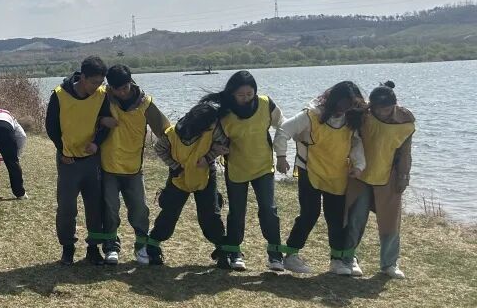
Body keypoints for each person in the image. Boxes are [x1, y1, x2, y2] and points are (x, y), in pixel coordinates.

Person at [201, 70, 289, 272]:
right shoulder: (224, 113)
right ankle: (235, 252)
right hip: (237, 169)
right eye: (240, 95)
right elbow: (212, 138)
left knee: (268, 209)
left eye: (250, 94)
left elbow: (284, 126)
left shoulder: (266, 104)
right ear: (232, 93)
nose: (246, 98)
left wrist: (282, 155)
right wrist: (216, 149)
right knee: (237, 212)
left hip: (263, 167)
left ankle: (275, 254)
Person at [276, 81, 367, 276]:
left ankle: (337, 260)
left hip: (337, 174)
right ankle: (291, 255)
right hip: (310, 170)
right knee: (310, 213)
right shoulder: (312, 114)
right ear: (333, 99)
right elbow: (284, 130)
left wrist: (359, 166)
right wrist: (281, 156)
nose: (344, 109)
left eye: (350, 105)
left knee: (336, 218)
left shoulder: (352, 119)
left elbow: (356, 143)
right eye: (342, 103)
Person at [93, 65, 170, 265]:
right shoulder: (102, 97)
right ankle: (111, 246)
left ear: (131, 82)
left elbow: (165, 130)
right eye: (116, 89)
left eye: (125, 87)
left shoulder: (145, 104)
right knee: (110, 209)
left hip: (134, 168)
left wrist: (184, 149)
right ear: (110, 87)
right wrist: (101, 120)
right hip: (108, 166)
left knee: (140, 209)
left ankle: (141, 246)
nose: (121, 92)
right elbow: (84, 116)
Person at [145, 102, 231, 268]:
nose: (213, 126)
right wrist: (176, 167)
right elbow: (159, 149)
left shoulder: (213, 128)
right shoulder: (172, 134)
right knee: (169, 212)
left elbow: (225, 145)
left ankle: (222, 249)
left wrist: (208, 158)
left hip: (205, 175)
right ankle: (153, 245)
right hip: (179, 176)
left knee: (210, 213)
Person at [45, 56, 111, 265]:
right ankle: (68, 248)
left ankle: (93, 249)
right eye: (93, 82)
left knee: (95, 206)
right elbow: (51, 127)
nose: (97, 86)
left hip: (91, 160)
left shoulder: (102, 95)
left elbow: (106, 123)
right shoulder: (60, 95)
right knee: (66, 207)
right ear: (82, 77)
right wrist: (62, 150)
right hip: (68, 161)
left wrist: (97, 143)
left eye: (100, 82)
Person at [346, 81, 414, 279]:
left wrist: (403, 176)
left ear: (395, 104)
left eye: (387, 109)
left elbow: (405, 152)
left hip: (389, 177)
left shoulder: (405, 119)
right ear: (372, 106)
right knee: (355, 218)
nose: (383, 113)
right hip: (360, 176)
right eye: (379, 109)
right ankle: (349, 258)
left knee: (390, 222)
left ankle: (389, 263)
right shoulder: (361, 116)